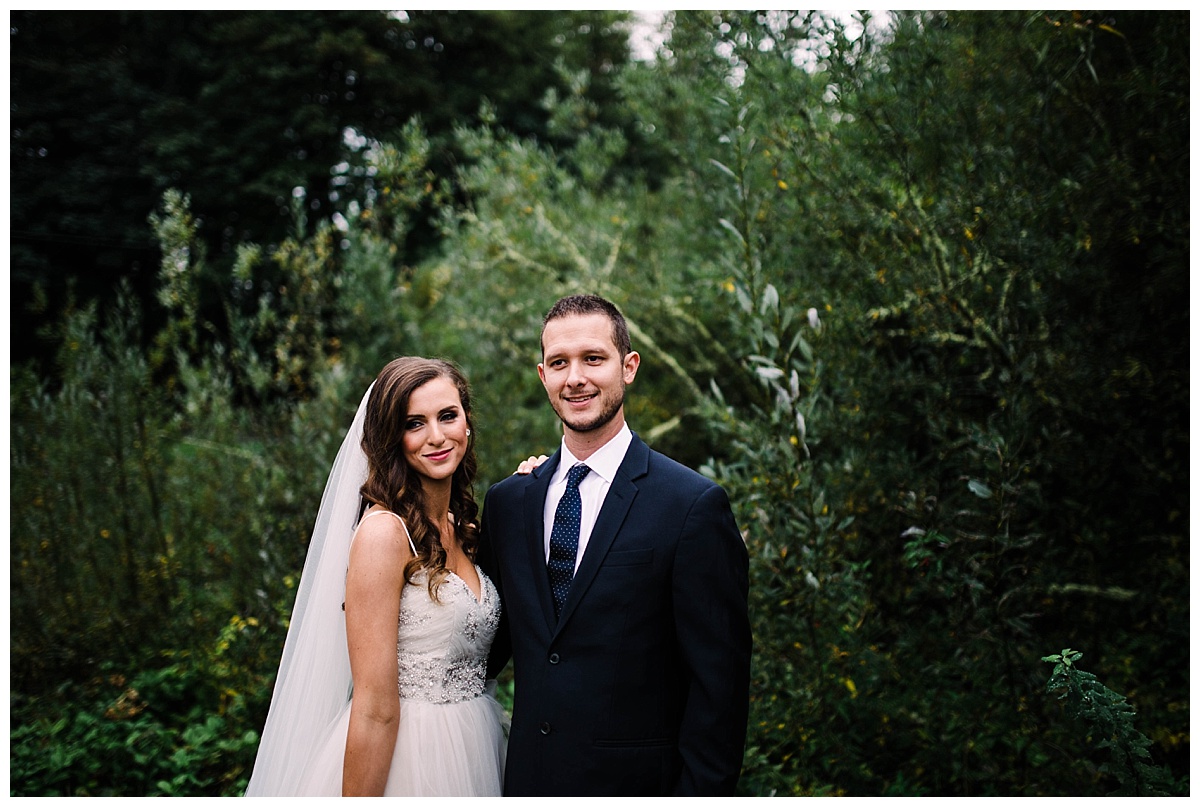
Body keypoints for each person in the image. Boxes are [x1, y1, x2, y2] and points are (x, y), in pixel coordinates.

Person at [478, 293, 752, 796]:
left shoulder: (691, 506)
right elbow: (485, 650)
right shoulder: (508, 504)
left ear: (628, 367)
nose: (575, 377)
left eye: (593, 358)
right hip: (526, 785)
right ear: (543, 377)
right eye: (559, 362)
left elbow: (720, 691)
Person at [245, 357, 507, 796]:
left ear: (466, 422)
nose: (437, 436)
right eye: (414, 423)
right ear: (391, 438)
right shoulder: (384, 534)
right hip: (411, 758)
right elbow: (374, 708)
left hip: (475, 743)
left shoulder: (463, 528)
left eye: (448, 415)